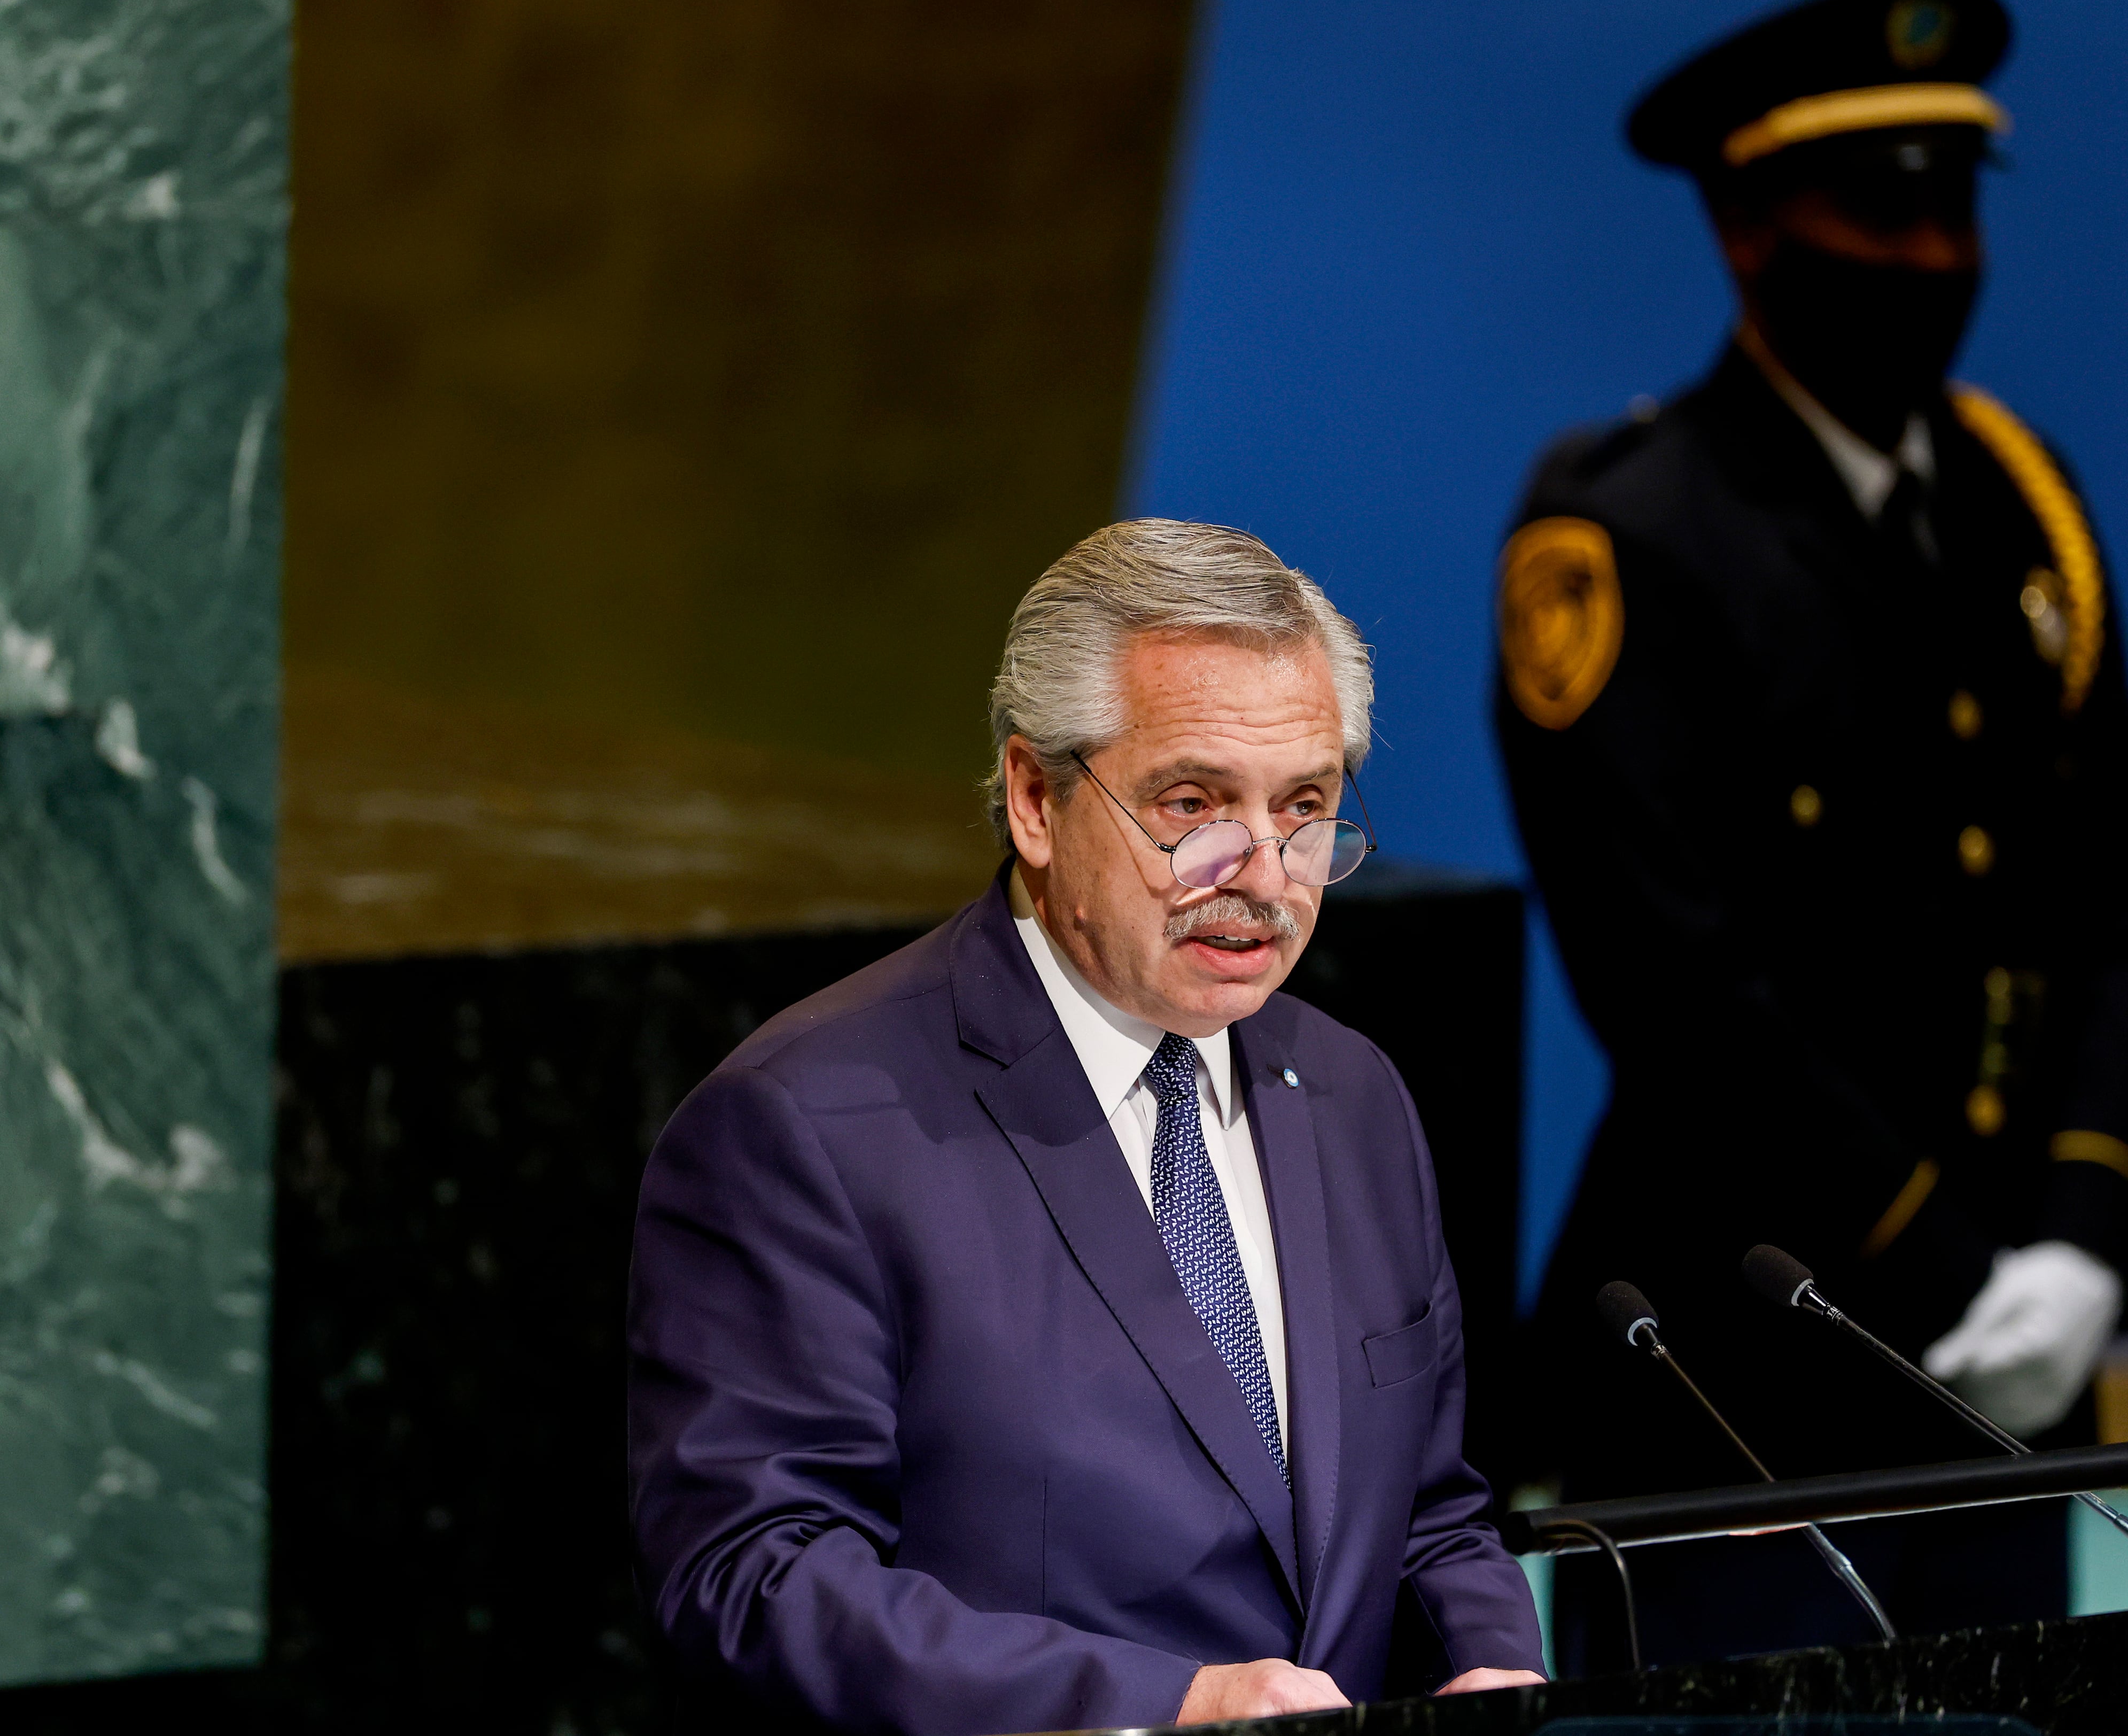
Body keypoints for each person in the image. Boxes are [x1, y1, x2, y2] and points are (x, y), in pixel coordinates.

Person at [629, 520, 1544, 1735]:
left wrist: (1490, 1665)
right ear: (1032, 798)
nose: (1266, 876)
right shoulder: (806, 1125)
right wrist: (1164, 1703)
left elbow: (1427, 1508)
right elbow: (756, 1575)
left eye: (1305, 807)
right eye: (1192, 805)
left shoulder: (1352, 1097)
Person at [1496, 0, 2128, 1669]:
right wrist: (1940, 1260)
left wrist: (2084, 1230)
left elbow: (2113, 899)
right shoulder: (1623, 534)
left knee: (2023, 1712)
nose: (1931, 256)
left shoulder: (2025, 500)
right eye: (1877, 207)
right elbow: (1676, 982)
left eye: (1952, 205)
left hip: (2021, 1335)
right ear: (1744, 225)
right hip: (1749, 1346)